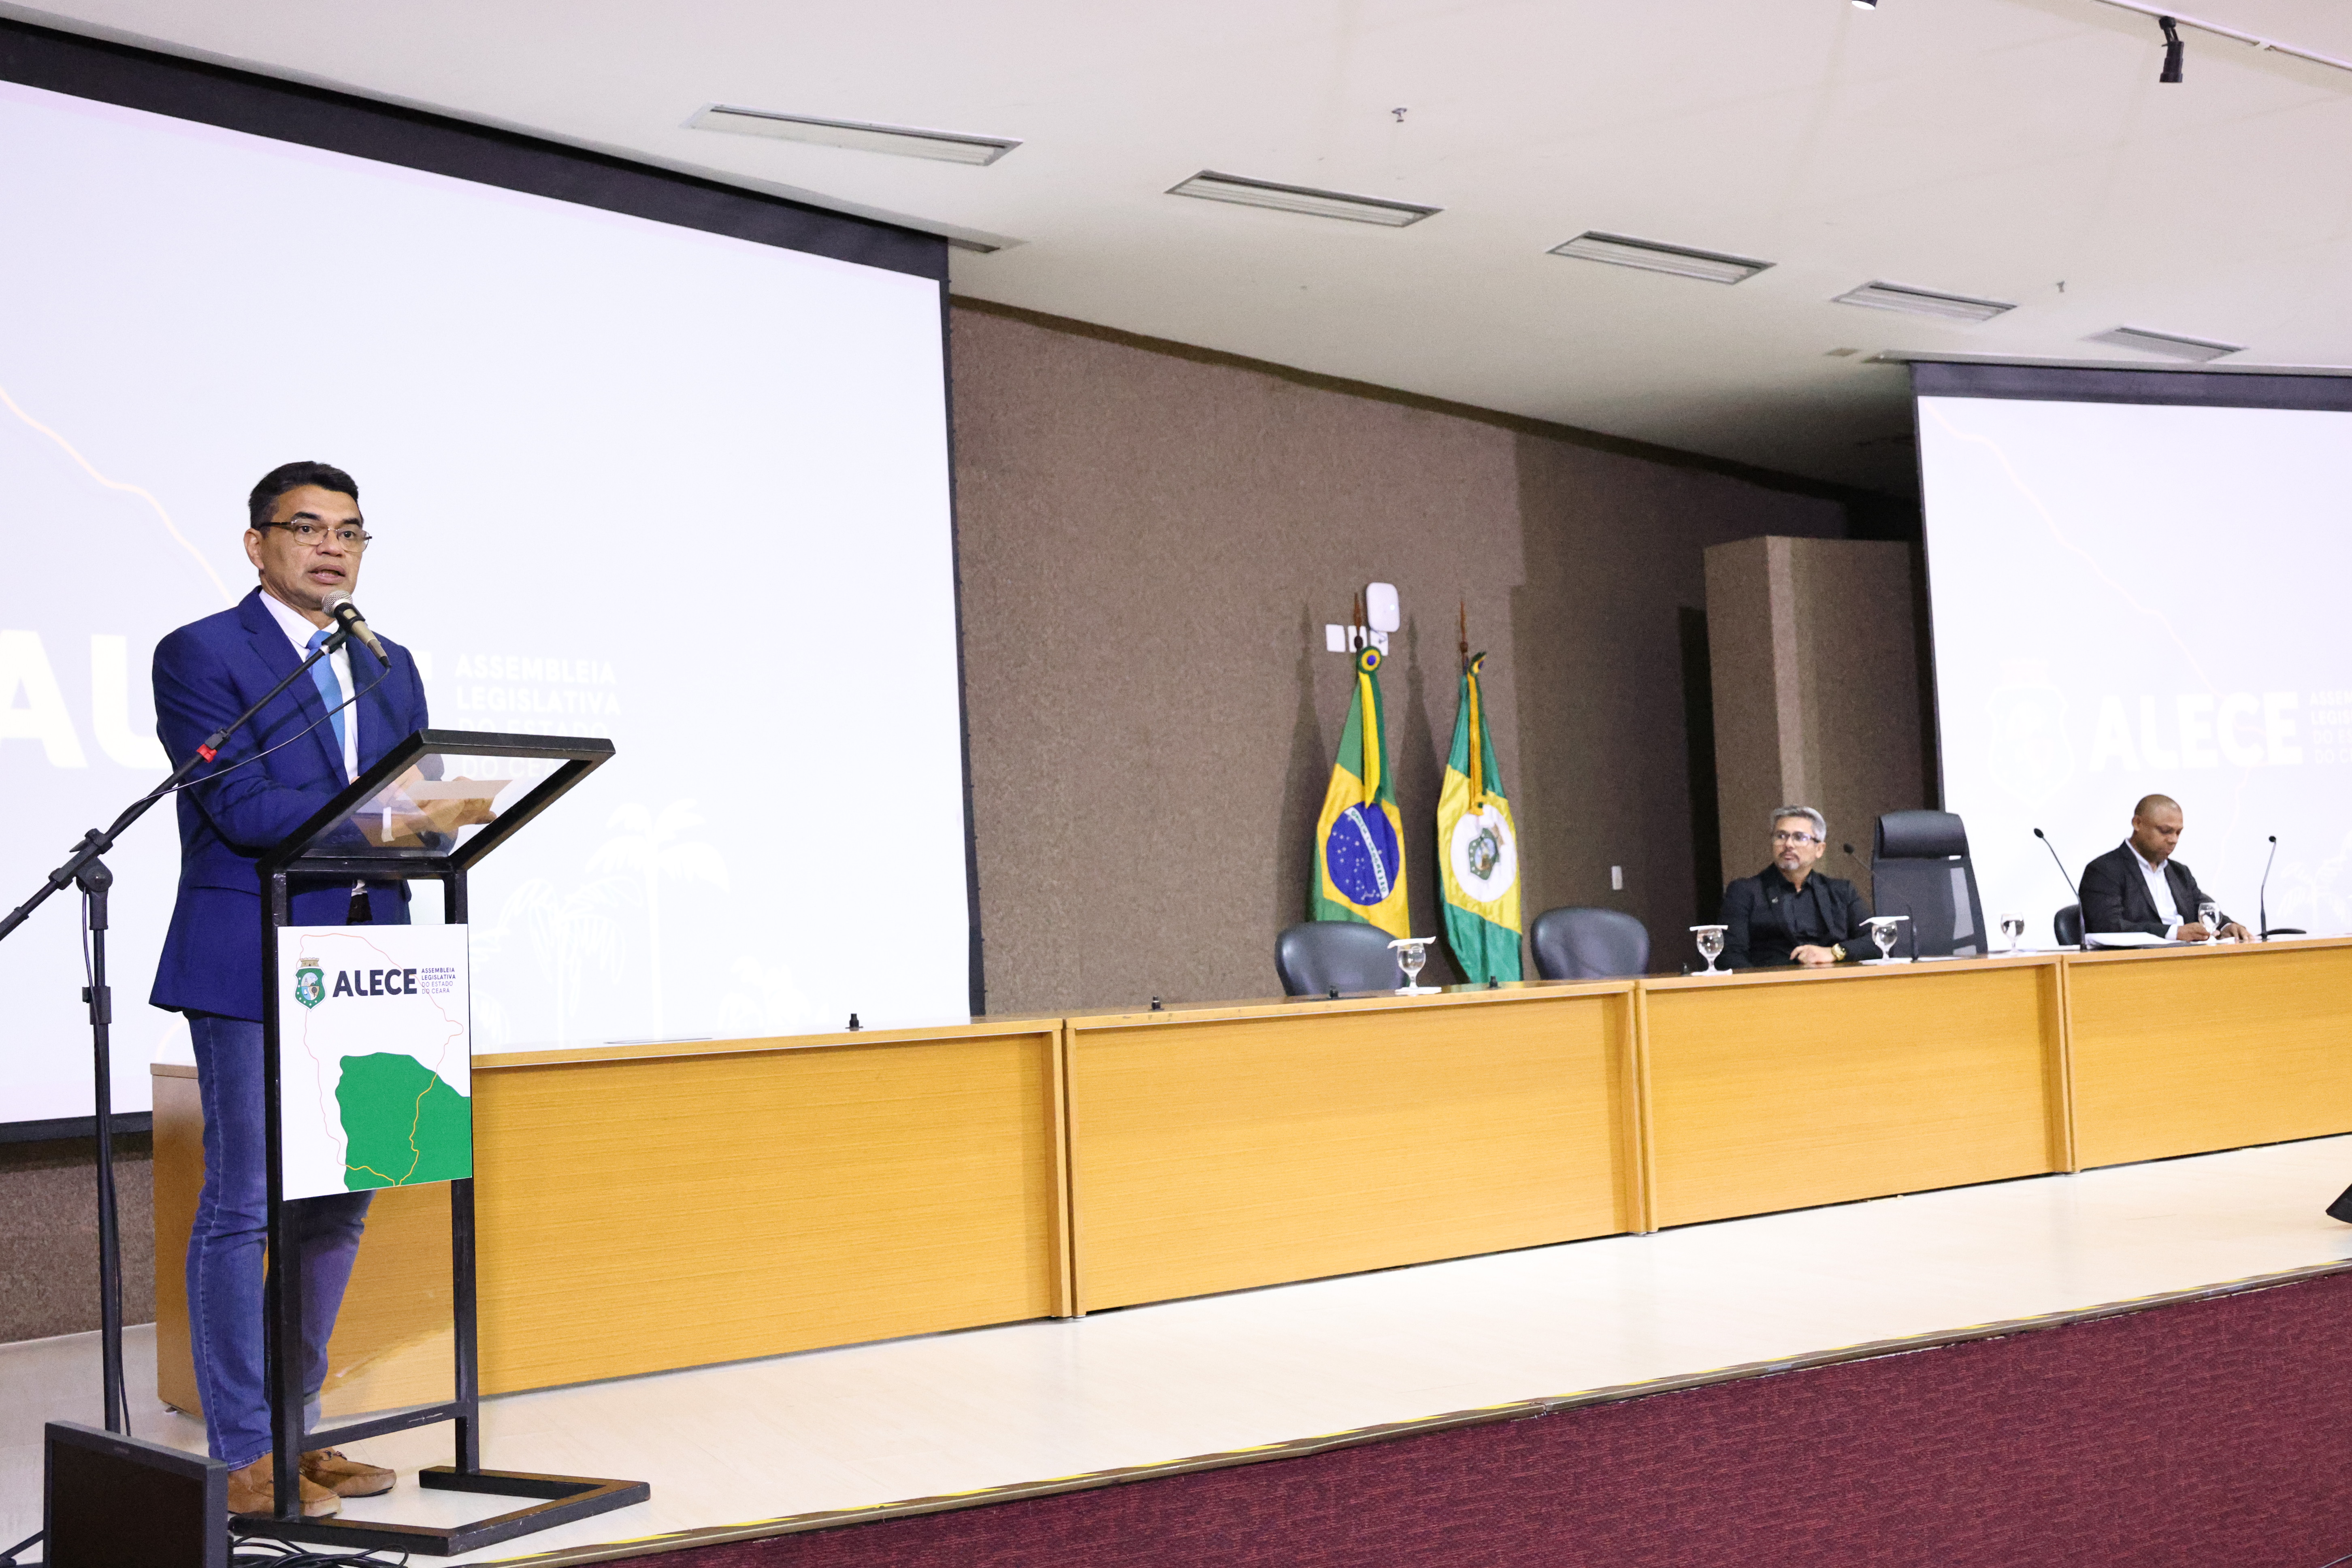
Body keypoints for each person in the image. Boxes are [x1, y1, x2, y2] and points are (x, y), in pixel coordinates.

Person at [150, 462, 430, 1517]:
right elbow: (243, 807)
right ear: (257, 544)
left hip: (369, 957)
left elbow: (420, 804)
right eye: (307, 528)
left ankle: (298, 1430)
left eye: (350, 532)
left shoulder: (389, 663)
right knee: (245, 1204)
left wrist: (430, 817)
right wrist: (391, 817)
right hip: (251, 955)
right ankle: (244, 1451)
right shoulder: (204, 653)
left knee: (341, 1202)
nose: (331, 547)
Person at [2078, 794, 2252, 942]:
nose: (2174, 840)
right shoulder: (2104, 871)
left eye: (2178, 833)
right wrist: (2174, 933)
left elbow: (2204, 908)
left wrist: (2227, 926)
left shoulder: (2180, 872)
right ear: (2138, 823)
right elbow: (2108, 927)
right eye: (2165, 831)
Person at [1719, 805, 1877, 967]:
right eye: (1781, 836)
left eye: (1799, 837)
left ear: (1819, 849)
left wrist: (1834, 952)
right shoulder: (1745, 892)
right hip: (1774, 980)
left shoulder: (1841, 892)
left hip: (1834, 980)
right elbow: (1730, 954)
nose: (1788, 844)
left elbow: (1878, 940)